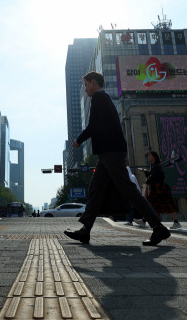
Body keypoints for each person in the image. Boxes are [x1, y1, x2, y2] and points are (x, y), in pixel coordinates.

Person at [65, 71, 170, 246]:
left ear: (93, 82)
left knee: (129, 190)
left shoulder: (99, 98)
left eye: (86, 85)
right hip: (107, 153)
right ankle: (85, 230)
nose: (85, 89)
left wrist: (78, 140)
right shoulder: (102, 98)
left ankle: (158, 227)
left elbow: (93, 126)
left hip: (111, 152)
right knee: (96, 189)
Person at [140, 151, 181, 230]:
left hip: (161, 188)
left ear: (154, 157)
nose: (148, 157)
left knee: (167, 204)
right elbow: (151, 175)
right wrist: (146, 172)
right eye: (148, 156)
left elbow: (155, 176)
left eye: (150, 155)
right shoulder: (154, 166)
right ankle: (144, 220)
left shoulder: (157, 166)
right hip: (157, 188)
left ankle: (176, 222)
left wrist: (147, 182)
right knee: (152, 204)